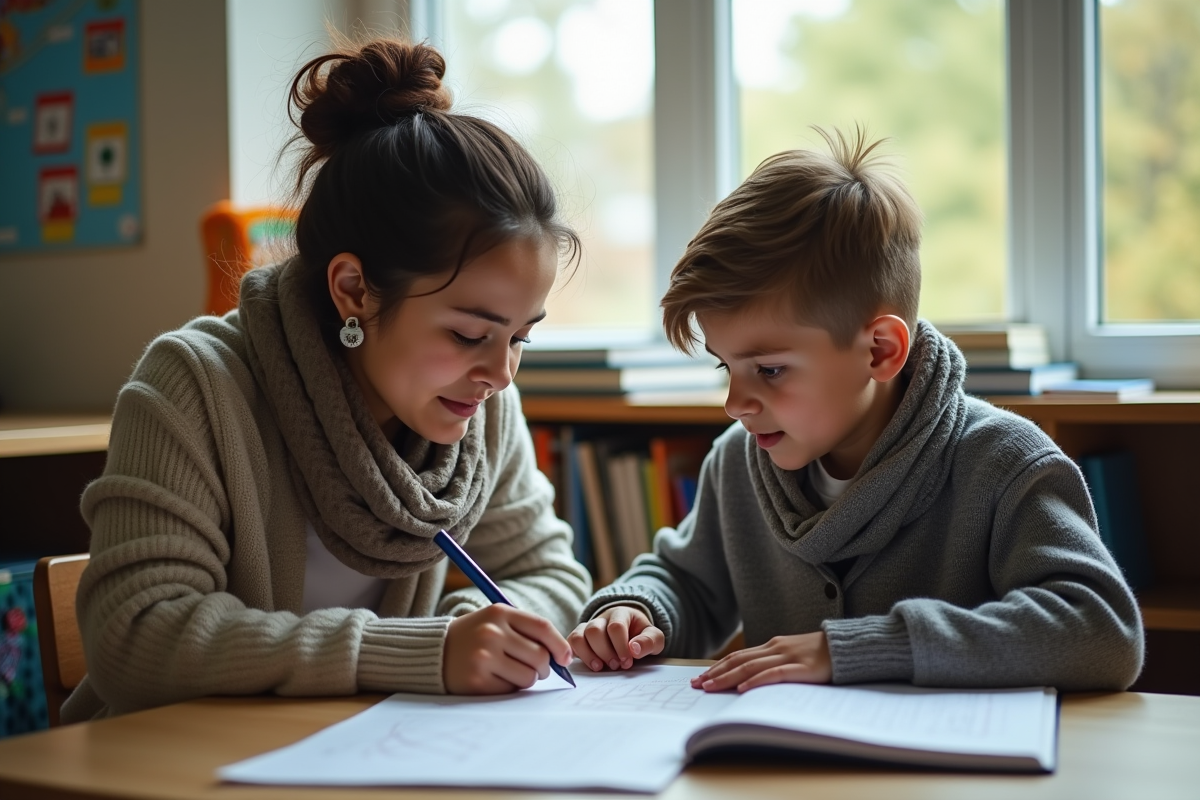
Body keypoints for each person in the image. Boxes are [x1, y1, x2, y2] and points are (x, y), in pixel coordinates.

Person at [63, 38, 591, 722]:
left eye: (520, 337)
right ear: (354, 291)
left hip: (370, 755)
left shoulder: (479, 407)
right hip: (180, 763)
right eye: (468, 334)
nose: (500, 374)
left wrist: (479, 630)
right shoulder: (193, 385)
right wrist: (415, 651)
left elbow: (550, 575)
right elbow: (133, 636)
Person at [569, 127, 1144, 693]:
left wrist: (859, 647)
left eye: (769, 370)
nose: (735, 405)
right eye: (726, 367)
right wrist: (636, 611)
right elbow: (688, 582)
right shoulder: (738, 463)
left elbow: (1101, 630)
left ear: (880, 351)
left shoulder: (1004, 463)